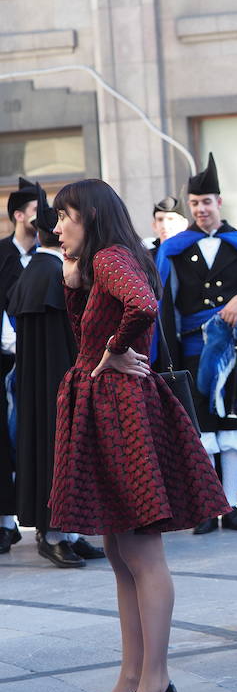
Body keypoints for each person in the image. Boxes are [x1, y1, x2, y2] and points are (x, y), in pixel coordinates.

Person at [49, 178, 227, 692]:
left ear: (91, 217)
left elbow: (143, 305)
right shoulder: (98, 261)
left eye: (64, 216)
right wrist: (76, 286)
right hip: (106, 407)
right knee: (122, 555)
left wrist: (115, 349)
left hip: (121, 408)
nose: (56, 228)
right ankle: (132, 677)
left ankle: (154, 680)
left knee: (141, 556)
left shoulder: (110, 256)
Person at [155, 153, 237, 533]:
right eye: (194, 203)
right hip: (194, 350)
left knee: (233, 425)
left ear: (220, 203)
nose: (200, 209)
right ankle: (207, 507)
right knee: (202, 429)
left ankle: (230, 505)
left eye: (206, 202)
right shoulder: (174, 249)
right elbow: (169, 309)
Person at [7, 186, 105, 567]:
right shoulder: (53, 273)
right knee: (56, 451)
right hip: (56, 382)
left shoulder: (38, 269)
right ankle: (55, 535)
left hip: (42, 383)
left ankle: (70, 533)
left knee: (53, 450)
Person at [0, 177, 39, 554]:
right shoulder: (1, 256)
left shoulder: (52, 255)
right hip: (5, 364)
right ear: (18, 215)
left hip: (43, 363)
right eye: (35, 211)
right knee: (6, 442)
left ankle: (53, 526)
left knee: (41, 439)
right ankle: (4, 521)